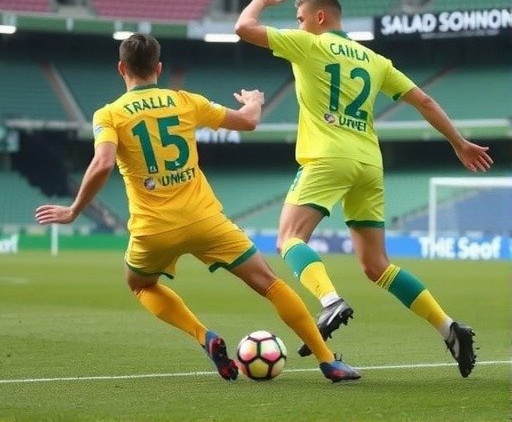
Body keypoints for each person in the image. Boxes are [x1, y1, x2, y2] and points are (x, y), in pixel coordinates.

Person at [35, 33, 360, 383]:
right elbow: (248, 121)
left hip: (153, 230)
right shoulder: (185, 101)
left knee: (141, 285)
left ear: (121, 68)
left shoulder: (109, 114)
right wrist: (254, 101)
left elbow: (102, 164)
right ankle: (328, 361)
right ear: (159, 68)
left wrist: (74, 209)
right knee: (270, 284)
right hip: (205, 221)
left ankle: (204, 335)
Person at [235, 0, 494, 378]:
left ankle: (330, 300)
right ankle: (449, 328)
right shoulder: (376, 60)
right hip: (370, 163)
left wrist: (258, 1)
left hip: (328, 157)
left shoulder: (309, 44)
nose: (299, 25)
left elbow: (243, 28)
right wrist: (458, 143)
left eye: (301, 18)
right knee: (377, 265)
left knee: (289, 238)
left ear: (320, 17)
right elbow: (424, 100)